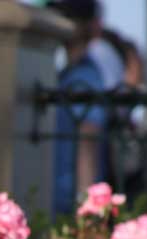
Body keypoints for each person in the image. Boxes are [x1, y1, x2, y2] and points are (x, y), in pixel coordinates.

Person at [48, 0, 110, 217]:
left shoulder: (85, 77)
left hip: (68, 202)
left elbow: (88, 140)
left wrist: (84, 205)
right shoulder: (69, 73)